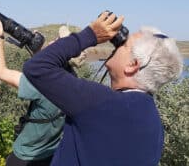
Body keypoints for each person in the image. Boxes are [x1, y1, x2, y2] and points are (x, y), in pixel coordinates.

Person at [22, 11, 183, 166]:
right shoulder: (155, 122)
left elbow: (36, 67)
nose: (115, 44)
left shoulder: (100, 103)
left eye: (123, 44)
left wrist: (90, 35)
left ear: (132, 65)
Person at [0, 11, 65, 166]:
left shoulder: (44, 84)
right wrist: (36, 49)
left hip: (25, 158)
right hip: (49, 154)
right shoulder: (70, 82)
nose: (53, 40)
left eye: (58, 42)